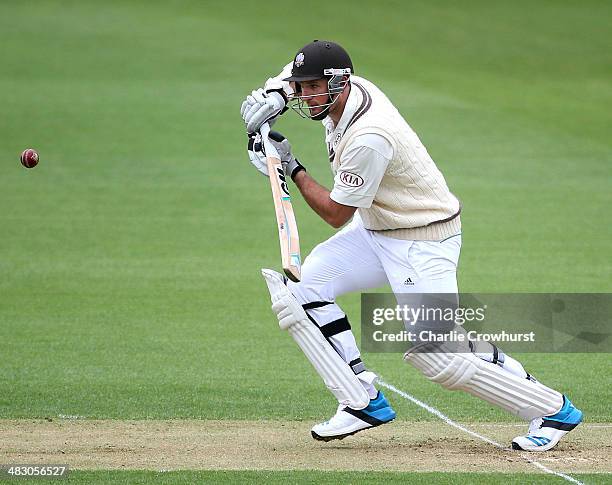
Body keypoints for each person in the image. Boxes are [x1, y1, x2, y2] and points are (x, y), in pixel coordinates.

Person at [240, 40, 582, 450]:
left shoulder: (370, 135)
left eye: (312, 87)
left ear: (339, 82)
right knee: (300, 291)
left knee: (438, 356)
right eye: (301, 86)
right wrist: (275, 93)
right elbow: (294, 76)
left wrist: (289, 166)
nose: (305, 95)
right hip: (377, 228)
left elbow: (335, 213)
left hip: (422, 239)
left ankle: (553, 410)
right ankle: (361, 400)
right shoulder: (339, 88)